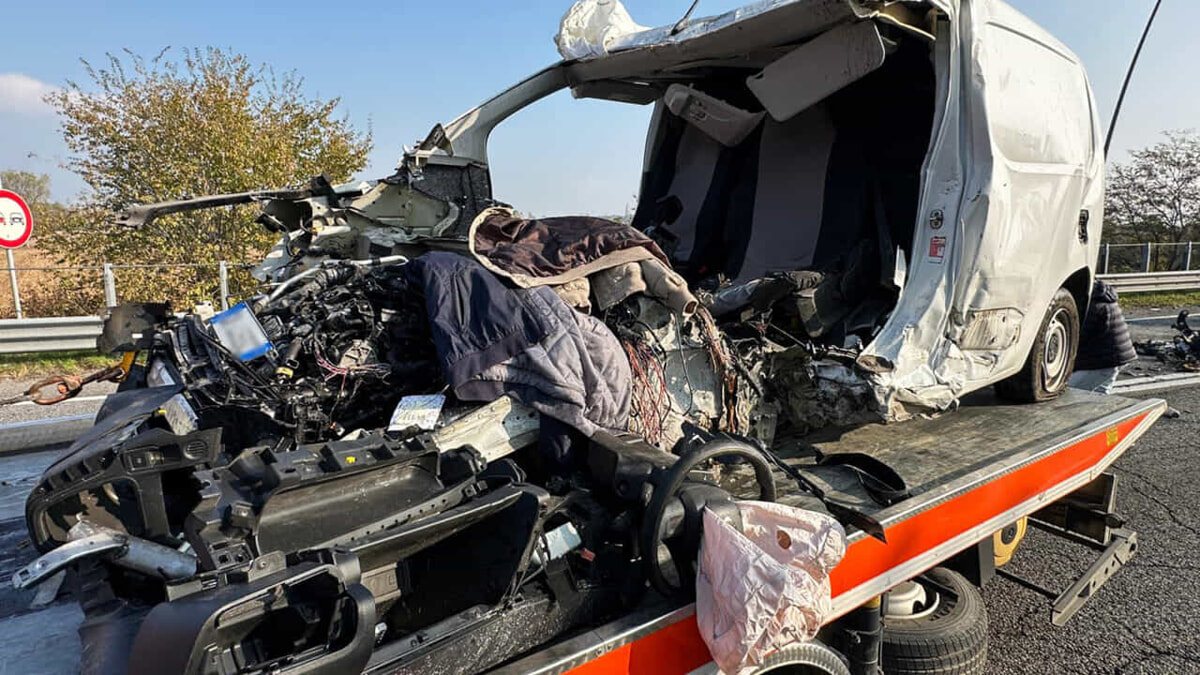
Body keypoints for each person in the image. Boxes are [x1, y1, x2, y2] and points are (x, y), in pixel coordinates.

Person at [1070, 279, 1137, 394]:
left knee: (1069, 393)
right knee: (1099, 397)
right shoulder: (1102, 298)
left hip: (1102, 362)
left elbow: (1078, 338)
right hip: (1116, 358)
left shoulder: (1092, 305)